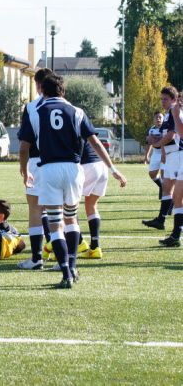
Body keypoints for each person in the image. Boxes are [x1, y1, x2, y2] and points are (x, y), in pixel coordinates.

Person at [19, 75, 126, 288]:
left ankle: (66, 273)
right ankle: (73, 266)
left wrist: (24, 171)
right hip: (74, 169)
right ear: (63, 91)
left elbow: (24, 147)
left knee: (54, 222)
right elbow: (95, 142)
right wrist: (113, 169)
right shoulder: (77, 112)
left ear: (43, 92)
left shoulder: (36, 112)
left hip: (49, 170)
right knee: (72, 219)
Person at [17, 68, 54, 270]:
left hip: (37, 162)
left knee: (35, 209)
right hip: (63, 162)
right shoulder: (69, 107)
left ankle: (36, 258)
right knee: (60, 210)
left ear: (39, 85)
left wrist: (23, 168)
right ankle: (64, 255)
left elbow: (24, 144)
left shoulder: (32, 107)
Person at [143, 87, 182, 230]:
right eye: (161, 98)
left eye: (165, 98)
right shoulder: (168, 114)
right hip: (172, 155)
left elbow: (171, 135)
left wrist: (157, 144)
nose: (162, 101)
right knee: (166, 188)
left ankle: (173, 229)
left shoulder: (173, 112)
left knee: (176, 194)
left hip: (178, 154)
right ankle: (161, 220)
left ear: (173, 99)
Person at [158, 89, 183, 247]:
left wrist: (175, 114)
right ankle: (176, 235)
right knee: (177, 198)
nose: (180, 102)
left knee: (178, 197)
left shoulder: (176, 113)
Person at [144, 112, 164, 199]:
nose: (158, 119)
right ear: (154, 119)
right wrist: (146, 156)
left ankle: (166, 194)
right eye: (156, 117)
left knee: (164, 175)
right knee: (152, 174)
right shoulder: (151, 130)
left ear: (163, 119)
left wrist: (155, 139)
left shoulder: (166, 128)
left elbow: (165, 139)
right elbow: (149, 143)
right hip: (156, 153)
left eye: (160, 117)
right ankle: (162, 186)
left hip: (165, 153)